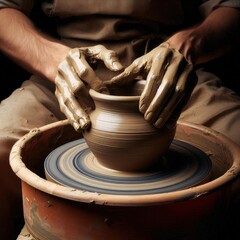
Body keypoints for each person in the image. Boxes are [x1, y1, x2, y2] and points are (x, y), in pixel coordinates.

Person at [0, 0, 239, 239]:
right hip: (66, 74)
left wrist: (189, 44)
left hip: (166, 72)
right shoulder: (59, 66)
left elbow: (230, 8)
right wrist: (52, 59)